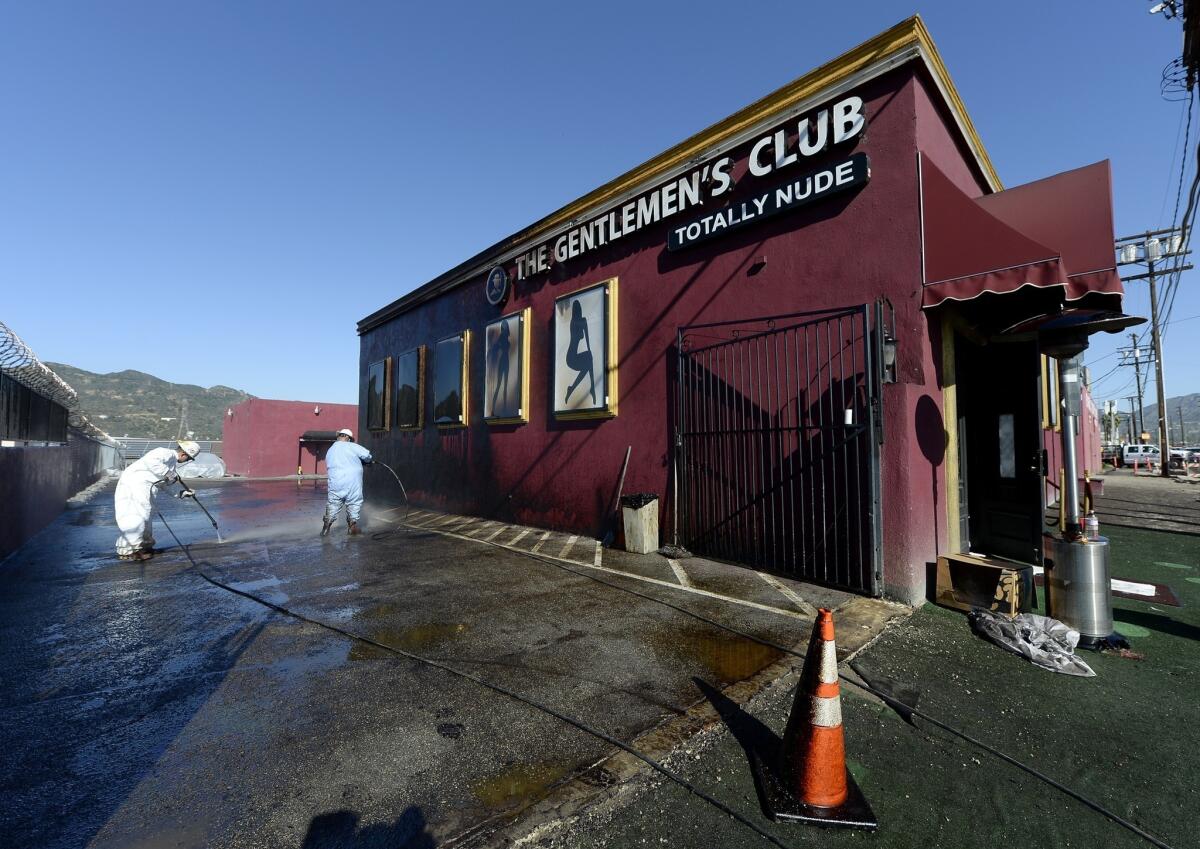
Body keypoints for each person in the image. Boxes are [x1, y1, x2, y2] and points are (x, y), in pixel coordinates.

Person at [114, 440, 200, 560]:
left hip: (144, 489)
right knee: (135, 517)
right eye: (189, 458)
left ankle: (144, 546)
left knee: (146, 517)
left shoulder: (171, 463)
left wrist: (181, 493)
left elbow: (164, 484)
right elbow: (151, 462)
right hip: (133, 486)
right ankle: (128, 551)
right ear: (184, 454)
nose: (187, 460)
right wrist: (168, 473)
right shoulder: (164, 452)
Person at [322, 428, 373, 536]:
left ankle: (326, 528)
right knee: (354, 502)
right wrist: (367, 461)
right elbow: (367, 456)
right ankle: (352, 528)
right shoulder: (352, 446)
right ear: (347, 437)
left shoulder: (330, 450)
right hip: (352, 482)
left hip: (335, 482)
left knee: (333, 503)